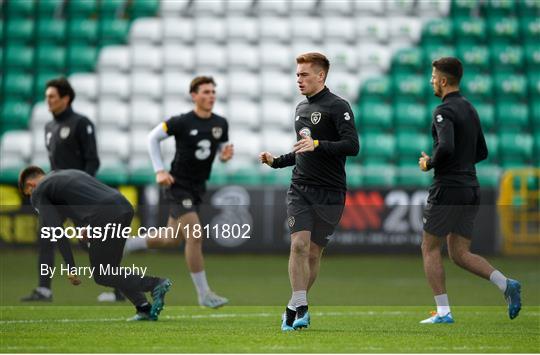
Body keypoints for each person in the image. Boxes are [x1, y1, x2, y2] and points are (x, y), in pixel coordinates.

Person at [259, 53, 359, 331]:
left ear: (321, 76)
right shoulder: (300, 108)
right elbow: (303, 151)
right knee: (299, 245)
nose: (299, 80)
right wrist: (276, 161)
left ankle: (292, 305)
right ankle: (302, 306)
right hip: (300, 188)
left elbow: (352, 146)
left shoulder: (338, 106)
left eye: (304, 74)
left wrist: (318, 143)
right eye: (297, 75)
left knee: (314, 254)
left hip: (331, 192)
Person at [418, 57, 521, 324]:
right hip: (471, 188)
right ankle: (505, 284)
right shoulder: (470, 108)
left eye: (433, 77)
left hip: (448, 189)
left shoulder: (443, 111)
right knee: (459, 253)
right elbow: (482, 151)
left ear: (442, 80)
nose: (431, 81)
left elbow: (446, 147)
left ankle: (443, 312)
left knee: (429, 247)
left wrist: (429, 162)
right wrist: (461, 167)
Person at [124, 76, 234, 308]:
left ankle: (126, 244)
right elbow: (152, 138)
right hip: (178, 186)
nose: (211, 96)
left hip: (197, 188)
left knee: (171, 239)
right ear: (194, 95)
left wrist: (224, 157)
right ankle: (204, 294)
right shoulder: (182, 121)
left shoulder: (220, 123)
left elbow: (221, 150)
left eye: (213, 92)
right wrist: (160, 170)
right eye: (205, 92)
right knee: (195, 235)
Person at [19, 166, 172, 321]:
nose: (32, 196)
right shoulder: (66, 174)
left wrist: (70, 267)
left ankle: (155, 284)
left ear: (31, 185)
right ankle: (143, 307)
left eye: (29, 192)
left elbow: (57, 231)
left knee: (102, 274)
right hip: (123, 206)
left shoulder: (39, 191)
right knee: (110, 269)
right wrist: (87, 225)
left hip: (104, 214)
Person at [20, 78, 124, 303]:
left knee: (89, 243)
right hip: (57, 197)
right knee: (47, 237)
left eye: (52, 97)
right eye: (46, 96)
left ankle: (119, 288)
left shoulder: (81, 123)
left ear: (65, 99)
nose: (47, 101)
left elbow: (92, 161)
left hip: (77, 197)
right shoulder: (49, 127)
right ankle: (44, 289)